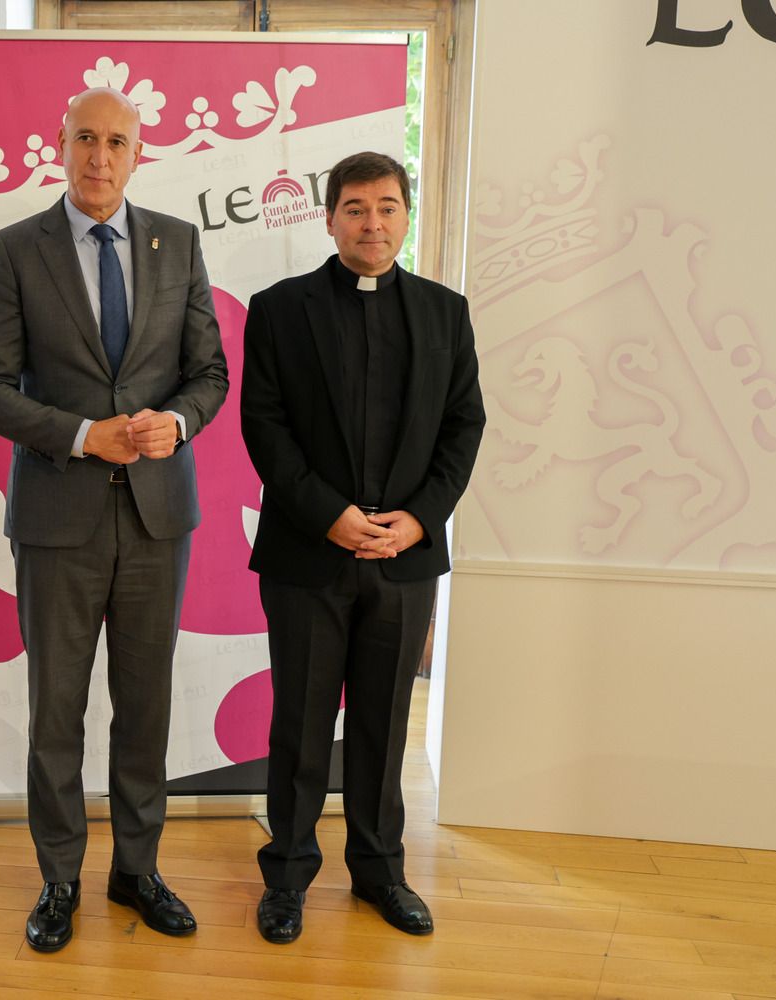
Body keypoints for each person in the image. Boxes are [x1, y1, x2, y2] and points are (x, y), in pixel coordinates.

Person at [0, 87, 228, 952]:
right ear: (61, 144)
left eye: (117, 141)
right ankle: (59, 880)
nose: (100, 157)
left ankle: (138, 870)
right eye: (86, 138)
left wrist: (175, 423)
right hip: (56, 518)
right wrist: (83, 436)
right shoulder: (15, 249)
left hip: (158, 517)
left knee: (146, 704)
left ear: (138, 150)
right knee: (57, 711)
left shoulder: (178, 242)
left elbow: (209, 374)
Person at [240, 152, 485, 943]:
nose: (371, 222)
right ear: (330, 218)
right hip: (310, 551)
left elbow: (464, 426)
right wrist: (329, 516)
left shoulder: (447, 313)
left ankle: (381, 872)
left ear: (407, 215)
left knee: (384, 727)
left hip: (405, 555)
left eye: (386, 206)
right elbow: (264, 428)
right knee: (301, 726)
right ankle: (286, 878)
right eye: (355, 208)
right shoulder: (278, 309)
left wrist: (421, 518)